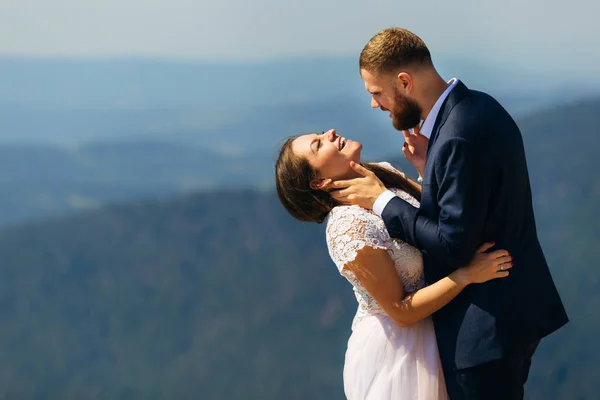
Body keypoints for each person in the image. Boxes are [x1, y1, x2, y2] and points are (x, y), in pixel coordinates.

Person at [327, 28, 569, 399]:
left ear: (404, 82)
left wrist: (380, 201)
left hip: (484, 328)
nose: (375, 104)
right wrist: (429, 170)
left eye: (377, 92)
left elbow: (452, 243)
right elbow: (470, 205)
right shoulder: (475, 107)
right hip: (508, 313)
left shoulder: (456, 135)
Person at [275, 128, 513, 399]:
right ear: (318, 182)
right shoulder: (348, 226)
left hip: (442, 323)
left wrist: (424, 167)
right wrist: (467, 275)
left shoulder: (379, 173)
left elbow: (430, 223)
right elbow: (400, 311)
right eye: (318, 144)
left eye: (319, 133)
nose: (329, 132)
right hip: (400, 352)